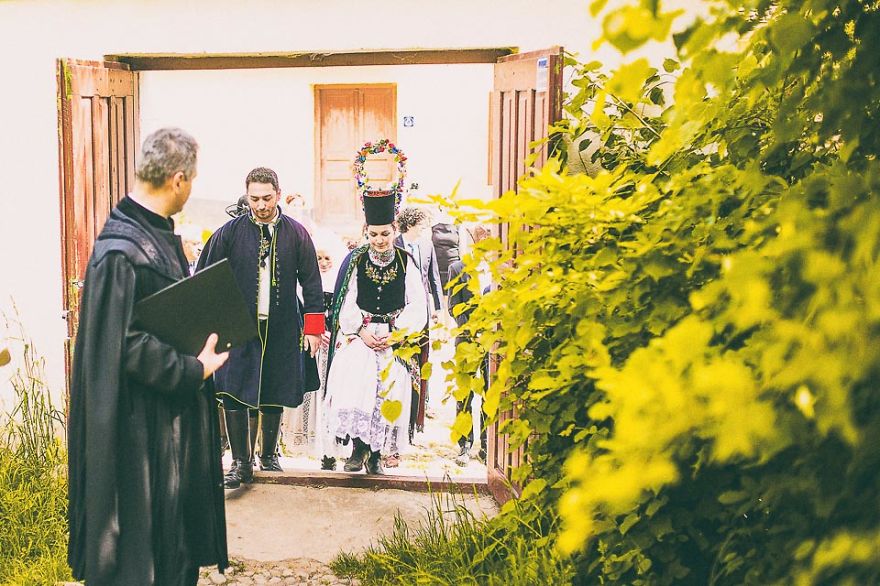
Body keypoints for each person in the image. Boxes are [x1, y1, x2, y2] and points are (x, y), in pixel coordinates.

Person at [67, 127, 229, 585]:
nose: (191, 190)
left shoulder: (154, 235)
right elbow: (123, 343)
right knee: (143, 558)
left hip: (164, 423)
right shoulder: (121, 252)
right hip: (136, 430)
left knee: (172, 550)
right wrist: (193, 368)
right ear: (178, 180)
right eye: (192, 181)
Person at [197, 167, 325, 488]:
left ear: (278, 195)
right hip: (238, 327)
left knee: (274, 388)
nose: (261, 205)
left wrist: (312, 328)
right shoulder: (228, 233)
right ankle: (240, 463)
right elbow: (204, 276)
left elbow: (311, 282)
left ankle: (269, 456)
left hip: (283, 325)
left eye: (267, 198)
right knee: (234, 390)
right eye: (254, 198)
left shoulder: (297, 233)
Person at [323, 190, 428, 475]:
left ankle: (378, 453)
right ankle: (357, 448)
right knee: (357, 376)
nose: (379, 240)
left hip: (393, 338)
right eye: (373, 235)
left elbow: (418, 304)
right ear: (366, 233)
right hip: (364, 335)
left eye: (384, 233)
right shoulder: (357, 261)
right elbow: (347, 300)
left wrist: (397, 334)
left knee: (393, 381)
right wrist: (360, 330)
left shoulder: (406, 263)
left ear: (394, 230)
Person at [395, 207, 442, 447]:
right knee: (402, 363)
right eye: (422, 224)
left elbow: (433, 278)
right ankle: (399, 421)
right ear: (411, 223)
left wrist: (437, 309)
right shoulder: (393, 243)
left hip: (422, 314)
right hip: (399, 312)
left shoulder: (427, 245)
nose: (425, 229)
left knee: (421, 364)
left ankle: (415, 420)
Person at [447, 224, 493, 466]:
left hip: (493, 341)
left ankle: (487, 445)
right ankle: (464, 444)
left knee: (488, 391)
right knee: (464, 393)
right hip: (466, 340)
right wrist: (471, 331)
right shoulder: (458, 268)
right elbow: (454, 306)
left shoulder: (499, 270)